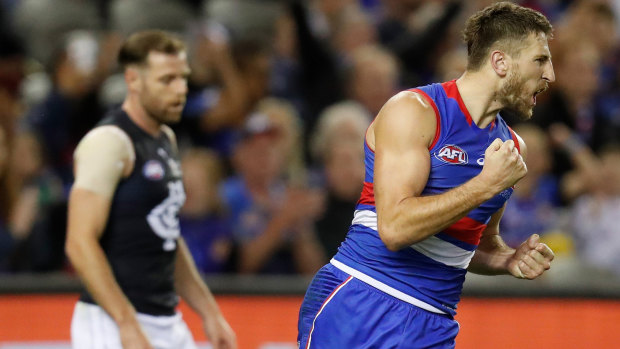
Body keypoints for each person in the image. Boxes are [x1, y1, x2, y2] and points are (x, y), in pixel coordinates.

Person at [297, 2, 556, 348]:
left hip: (433, 323)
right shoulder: (415, 112)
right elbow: (395, 229)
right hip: (362, 300)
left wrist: (507, 258)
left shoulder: (511, 148)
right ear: (499, 62)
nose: (550, 74)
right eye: (540, 60)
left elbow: (469, 245)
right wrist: (484, 184)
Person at [65, 30, 236, 349]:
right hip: (111, 320)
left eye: (183, 78)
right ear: (133, 80)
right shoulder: (109, 142)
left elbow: (166, 234)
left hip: (164, 318)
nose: (180, 90)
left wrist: (209, 312)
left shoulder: (165, 139)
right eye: (166, 80)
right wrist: (126, 323)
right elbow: (79, 243)